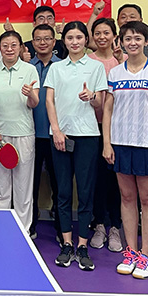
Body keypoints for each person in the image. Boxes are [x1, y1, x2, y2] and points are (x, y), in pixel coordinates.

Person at [102, 21, 148, 279]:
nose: (132, 43)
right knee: (127, 197)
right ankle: (130, 252)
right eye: (128, 38)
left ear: (146, 42)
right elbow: (108, 109)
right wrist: (107, 143)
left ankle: (145, 255)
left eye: (137, 38)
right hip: (121, 142)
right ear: (121, 42)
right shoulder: (115, 73)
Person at [44, 21, 107, 271]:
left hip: (88, 136)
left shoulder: (96, 67)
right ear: (64, 41)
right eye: (70, 38)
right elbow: (49, 101)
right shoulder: (56, 68)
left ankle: (82, 245)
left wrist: (92, 97)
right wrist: (56, 130)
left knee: (85, 191)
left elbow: (100, 102)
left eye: (79, 37)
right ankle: (67, 243)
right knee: (63, 192)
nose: (74, 42)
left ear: (85, 40)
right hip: (61, 136)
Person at [0, 31, 39, 230]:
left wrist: (30, 94)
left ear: (21, 47)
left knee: (23, 187)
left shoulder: (30, 70)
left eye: (14, 45)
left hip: (24, 133)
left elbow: (34, 103)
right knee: (0, 187)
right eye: (5, 45)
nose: (9, 49)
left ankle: (23, 230)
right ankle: (1, 228)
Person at [87, 18, 124, 253]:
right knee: (98, 179)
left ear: (114, 36)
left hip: (120, 129)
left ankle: (115, 227)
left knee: (117, 181)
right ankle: (99, 224)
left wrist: (121, 61)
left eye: (106, 33)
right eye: (98, 33)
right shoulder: (87, 61)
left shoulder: (123, 61)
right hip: (93, 128)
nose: (102, 37)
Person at [29, 24, 61, 240]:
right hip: (30, 135)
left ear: (54, 42)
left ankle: (61, 228)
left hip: (56, 134)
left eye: (47, 38)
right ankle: (30, 224)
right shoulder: (26, 67)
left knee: (59, 185)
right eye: (38, 39)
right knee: (29, 185)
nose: (42, 43)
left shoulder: (63, 66)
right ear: (33, 43)